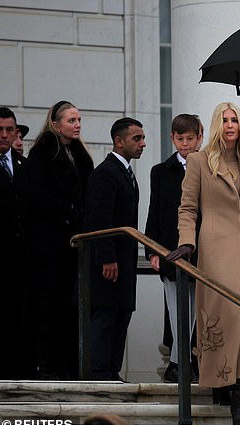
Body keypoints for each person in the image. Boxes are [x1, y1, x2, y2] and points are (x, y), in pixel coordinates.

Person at [166, 102, 240, 425]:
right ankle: (235, 395)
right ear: (217, 125)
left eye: (235, 120)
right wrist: (186, 241)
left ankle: (230, 384)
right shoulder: (200, 161)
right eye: (224, 120)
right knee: (232, 319)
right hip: (215, 250)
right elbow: (187, 207)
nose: (230, 125)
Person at [26, 100, 94, 379]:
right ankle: (46, 363)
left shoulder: (80, 155)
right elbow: (36, 194)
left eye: (78, 120)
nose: (77, 125)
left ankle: (70, 364)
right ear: (56, 124)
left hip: (74, 243)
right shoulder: (43, 153)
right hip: (49, 243)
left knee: (71, 305)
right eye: (71, 120)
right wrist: (67, 209)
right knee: (48, 303)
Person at [83, 117, 146, 381]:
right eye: (137, 138)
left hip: (125, 259)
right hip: (109, 261)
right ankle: (99, 371)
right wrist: (107, 258)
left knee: (121, 312)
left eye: (142, 138)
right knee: (107, 313)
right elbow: (100, 219)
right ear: (119, 141)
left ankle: (111, 369)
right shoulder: (106, 173)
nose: (143, 143)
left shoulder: (126, 173)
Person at [145, 114, 203, 383]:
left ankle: (183, 363)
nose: (185, 144)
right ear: (172, 138)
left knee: (195, 310)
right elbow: (154, 212)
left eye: (190, 138)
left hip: (202, 250)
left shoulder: (207, 168)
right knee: (176, 308)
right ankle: (180, 363)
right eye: (180, 139)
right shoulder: (160, 171)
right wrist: (151, 250)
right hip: (169, 248)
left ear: (199, 138)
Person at [0, 106, 29, 379]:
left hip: (21, 256)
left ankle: (14, 369)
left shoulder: (23, 165)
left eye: (10, 130)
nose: (5, 135)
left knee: (16, 314)